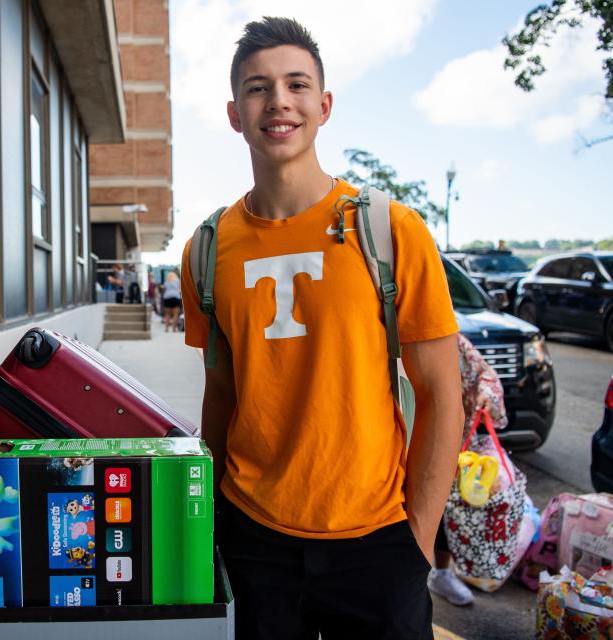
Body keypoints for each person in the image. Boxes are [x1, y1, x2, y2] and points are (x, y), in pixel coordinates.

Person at [179, 17, 464, 639]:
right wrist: (215, 523)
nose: (278, 101)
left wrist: (417, 540)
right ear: (234, 113)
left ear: (324, 105)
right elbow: (221, 393)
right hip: (254, 541)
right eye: (258, 88)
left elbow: (444, 393)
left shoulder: (391, 231)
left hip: (379, 541)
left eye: (296, 84)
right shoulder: (206, 249)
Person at [428, 333, 508, 606]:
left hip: (450, 442)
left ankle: (440, 573)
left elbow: (484, 373)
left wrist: (485, 394)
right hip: (399, 442)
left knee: (445, 510)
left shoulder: (450, 337)